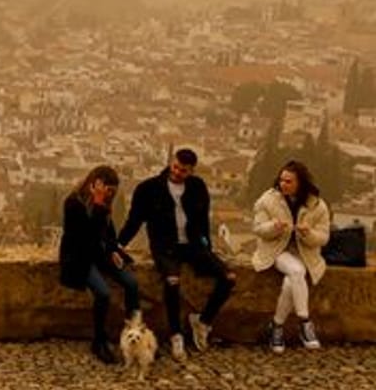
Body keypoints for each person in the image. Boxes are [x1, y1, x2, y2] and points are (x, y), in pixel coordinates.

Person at [118, 148, 235, 360]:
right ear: (172, 163)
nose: (178, 172)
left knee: (228, 278)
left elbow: (203, 220)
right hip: (164, 246)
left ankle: (203, 322)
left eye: (183, 170)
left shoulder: (198, 187)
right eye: (176, 167)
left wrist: (207, 249)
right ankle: (176, 335)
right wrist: (119, 245)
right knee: (172, 281)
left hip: (192, 245)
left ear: (191, 171)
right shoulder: (148, 189)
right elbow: (134, 220)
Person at [60, 165, 140, 364]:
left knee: (131, 283)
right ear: (93, 183)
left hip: (100, 254)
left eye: (112, 191)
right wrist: (97, 204)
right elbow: (86, 237)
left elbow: (108, 233)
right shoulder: (73, 203)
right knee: (103, 294)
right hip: (79, 256)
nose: (108, 194)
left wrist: (113, 251)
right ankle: (99, 340)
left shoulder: (104, 204)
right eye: (106, 189)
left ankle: (134, 334)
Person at [252, 160, 331, 353]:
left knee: (291, 281)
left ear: (300, 183)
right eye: (281, 180)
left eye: (288, 181)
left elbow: (323, 237)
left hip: (305, 254)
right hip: (276, 250)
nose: (283, 185)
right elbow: (258, 229)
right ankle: (305, 322)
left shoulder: (318, 205)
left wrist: (308, 233)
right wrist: (274, 227)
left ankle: (276, 326)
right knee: (296, 271)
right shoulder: (267, 200)